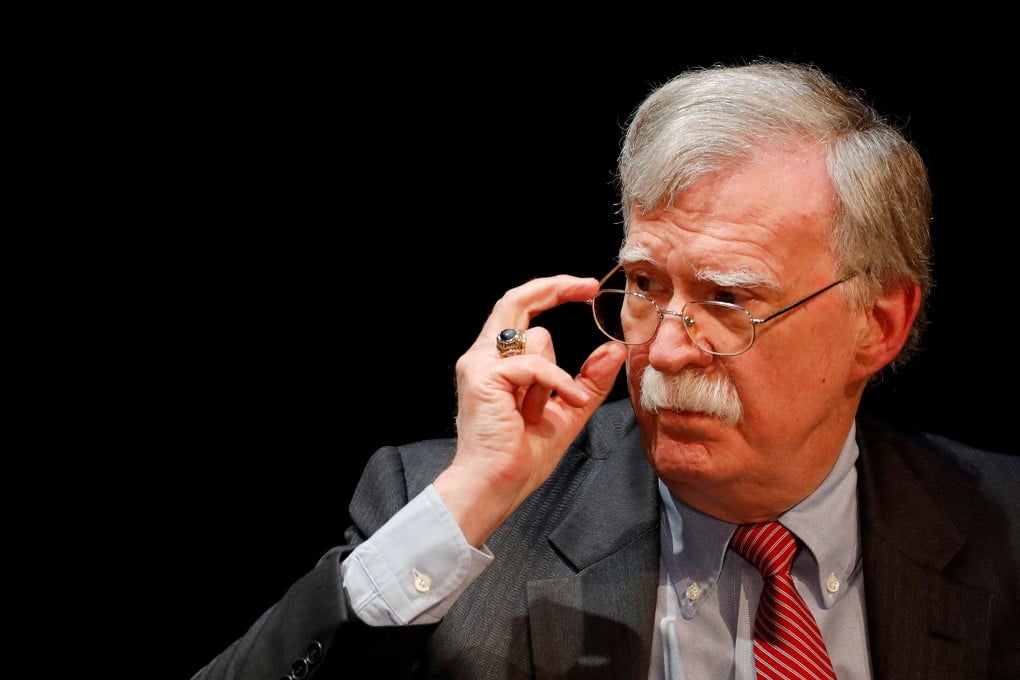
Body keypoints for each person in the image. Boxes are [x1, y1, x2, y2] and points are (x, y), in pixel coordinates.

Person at [191, 61, 1019, 680]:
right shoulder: (451, 511)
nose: (660, 351)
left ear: (878, 325)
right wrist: (473, 496)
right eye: (646, 287)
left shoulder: (1002, 525)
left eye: (729, 299)